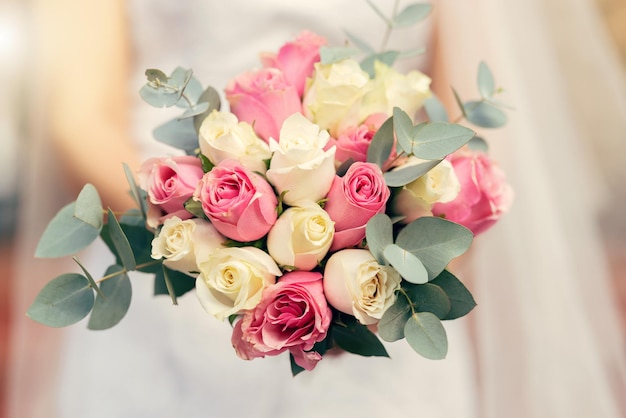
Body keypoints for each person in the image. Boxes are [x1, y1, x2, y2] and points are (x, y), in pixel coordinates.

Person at [8, 0, 626, 417]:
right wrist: (207, 225)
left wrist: (373, 256)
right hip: (162, 280)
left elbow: (466, 121)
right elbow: (77, 117)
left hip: (380, 295)